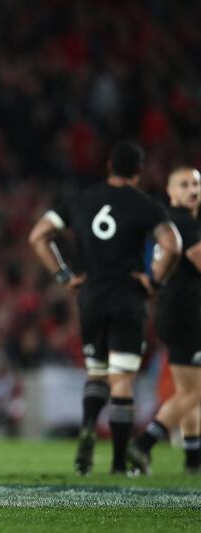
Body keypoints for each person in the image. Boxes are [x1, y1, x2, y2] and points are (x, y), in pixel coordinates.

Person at [29, 141, 181, 476]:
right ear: (139, 171)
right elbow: (172, 244)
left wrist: (63, 275)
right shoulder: (145, 205)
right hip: (128, 297)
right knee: (122, 379)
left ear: (109, 166)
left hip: (91, 297)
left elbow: (39, 235)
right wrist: (154, 282)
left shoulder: (83, 199)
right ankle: (116, 463)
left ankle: (87, 427)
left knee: (97, 373)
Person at [130, 167, 201, 474]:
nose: (193, 189)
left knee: (189, 388)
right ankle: (144, 444)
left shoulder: (171, 223)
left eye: (197, 183)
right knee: (195, 392)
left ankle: (193, 458)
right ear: (171, 192)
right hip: (187, 313)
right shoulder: (184, 223)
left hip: (173, 311)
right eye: (184, 184)